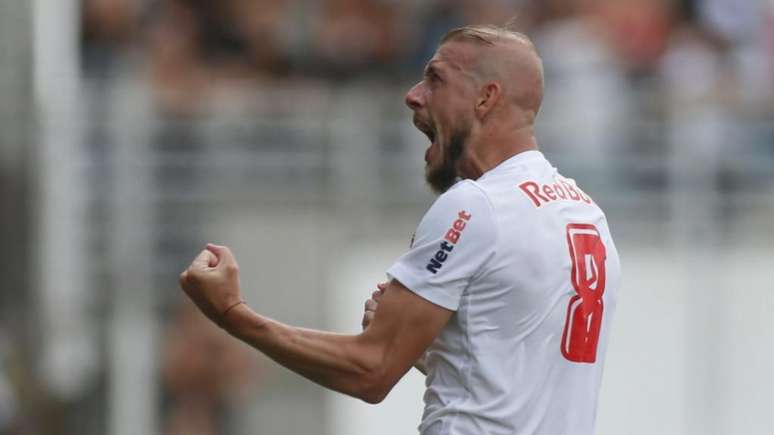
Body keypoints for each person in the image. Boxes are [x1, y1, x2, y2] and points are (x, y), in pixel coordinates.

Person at [179, 24, 621, 435]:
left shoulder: (477, 205)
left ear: (486, 98)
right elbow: (519, 369)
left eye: (436, 79)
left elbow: (370, 371)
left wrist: (232, 314)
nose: (413, 95)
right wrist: (430, 351)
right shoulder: (584, 214)